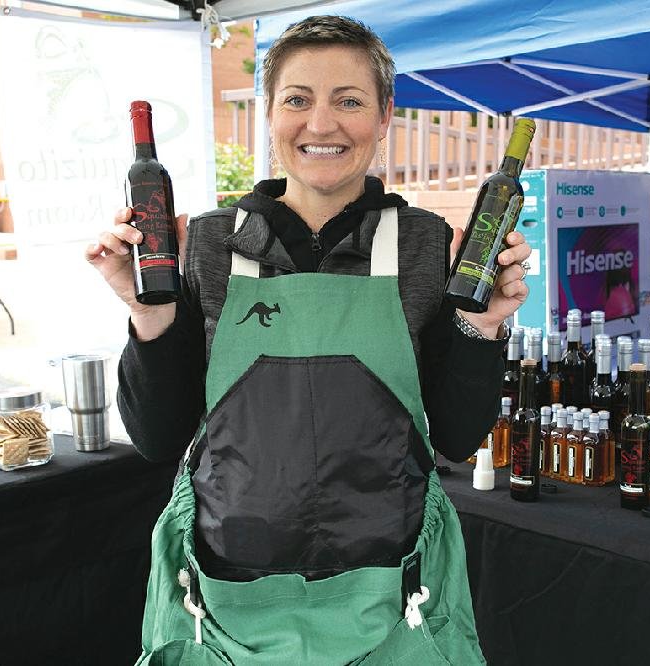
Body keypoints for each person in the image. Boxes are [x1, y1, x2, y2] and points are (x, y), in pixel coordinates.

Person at [85, 16, 531, 665]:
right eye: (298, 99)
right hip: (227, 609)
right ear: (269, 112)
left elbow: (458, 435)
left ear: (384, 116)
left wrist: (480, 328)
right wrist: (145, 313)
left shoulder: (424, 244)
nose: (321, 125)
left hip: (392, 606)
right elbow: (158, 435)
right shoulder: (210, 244)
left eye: (348, 100)